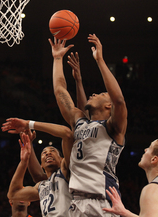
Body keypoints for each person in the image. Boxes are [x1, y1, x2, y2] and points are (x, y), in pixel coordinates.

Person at [49, 34, 128, 216]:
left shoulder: (113, 128)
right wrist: (57, 59)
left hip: (103, 203)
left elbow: (119, 100)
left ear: (109, 105)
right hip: (77, 202)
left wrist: (100, 60)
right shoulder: (80, 122)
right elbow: (60, 91)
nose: (94, 94)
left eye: (101, 93)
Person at [5, 120, 73, 217]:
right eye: (44, 152)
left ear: (62, 160)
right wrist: (24, 161)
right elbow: (13, 194)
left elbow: (67, 134)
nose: (48, 153)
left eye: (52, 150)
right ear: (41, 164)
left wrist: (29, 124)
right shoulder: (42, 186)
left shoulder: (66, 172)